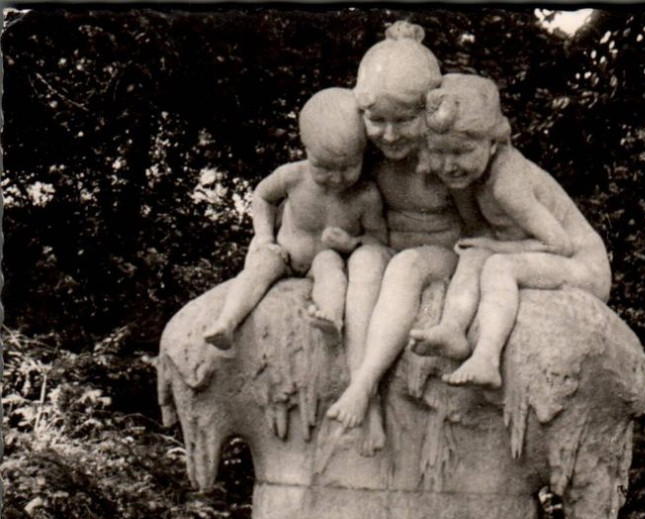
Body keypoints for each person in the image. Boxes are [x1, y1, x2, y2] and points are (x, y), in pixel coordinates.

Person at [326, 23, 481, 444]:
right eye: (377, 121)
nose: (389, 135)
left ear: (428, 113)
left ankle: (363, 384)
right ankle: (367, 401)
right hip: (389, 245)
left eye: (404, 121)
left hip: (441, 253)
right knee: (364, 262)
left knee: (408, 266)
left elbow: (476, 225)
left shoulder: (443, 159)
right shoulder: (368, 158)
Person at [409, 73, 612, 389]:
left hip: (583, 267)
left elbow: (559, 244)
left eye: (461, 152)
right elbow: (477, 234)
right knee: (477, 255)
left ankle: (487, 357)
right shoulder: (468, 179)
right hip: (542, 256)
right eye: (439, 152)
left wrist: (495, 250)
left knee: (498, 264)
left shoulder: (508, 184)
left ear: (493, 143)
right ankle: (452, 328)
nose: (448, 165)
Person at [203, 87, 387, 352]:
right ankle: (226, 322)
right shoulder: (293, 177)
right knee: (262, 265)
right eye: (324, 168)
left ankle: (330, 316)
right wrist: (264, 237)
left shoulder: (366, 195)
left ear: (362, 153)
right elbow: (263, 198)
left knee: (330, 268)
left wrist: (351, 243)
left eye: (347, 168)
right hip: (285, 254)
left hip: (323, 261)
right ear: (307, 150)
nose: (336, 178)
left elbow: (379, 239)